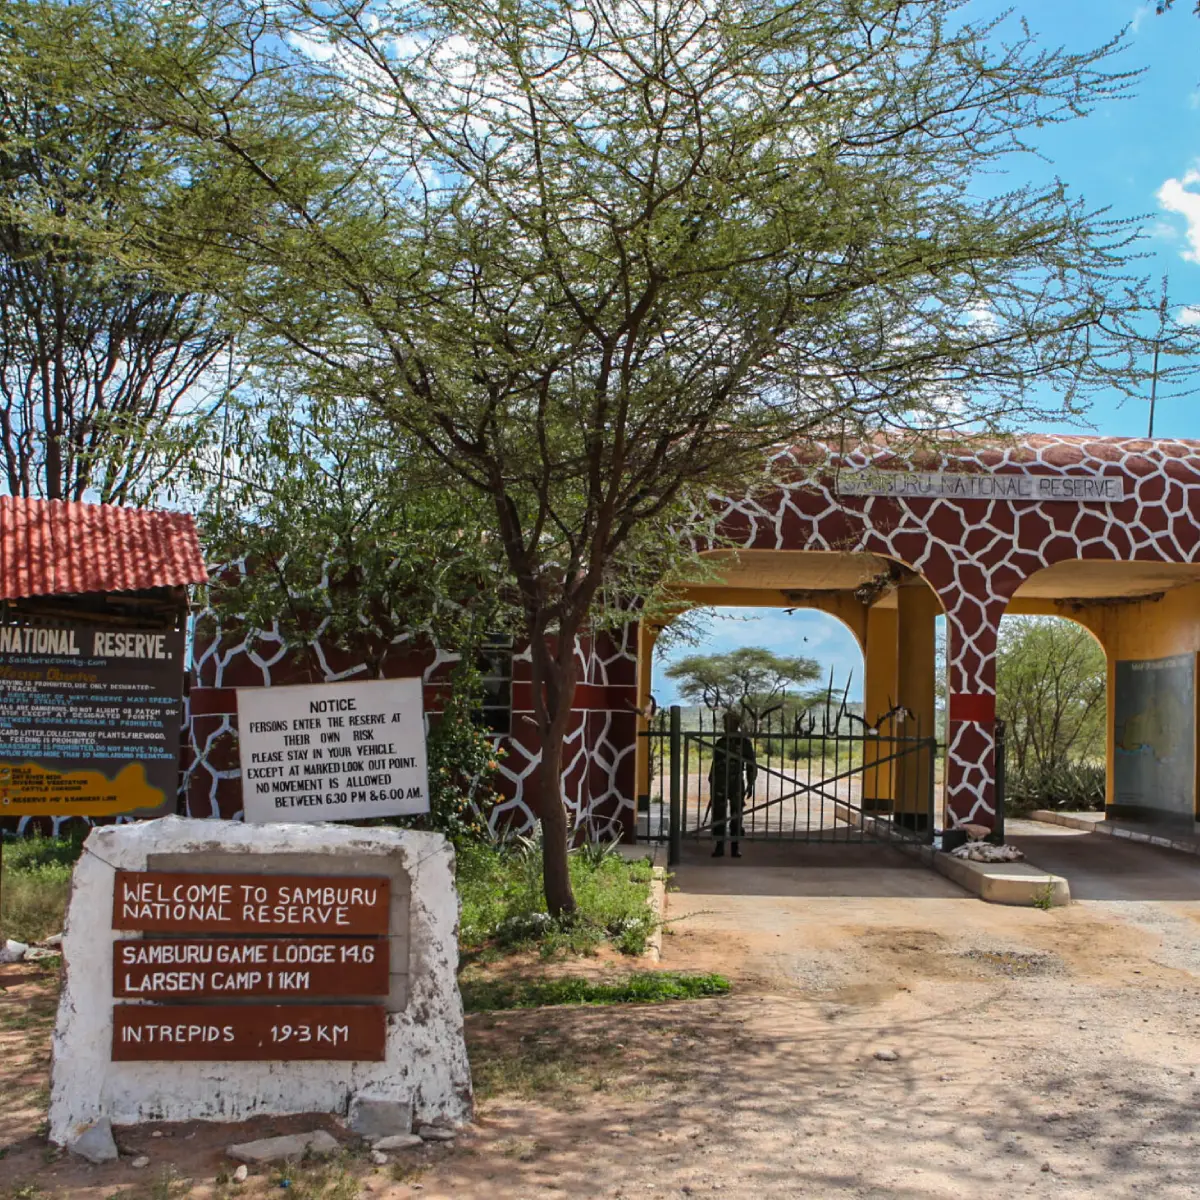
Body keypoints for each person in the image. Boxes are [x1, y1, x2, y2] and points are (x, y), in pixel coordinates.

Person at [708, 710, 757, 858]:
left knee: (737, 815)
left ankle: (735, 846)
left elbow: (751, 764)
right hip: (720, 782)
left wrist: (750, 782)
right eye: (725, 722)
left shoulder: (744, 742)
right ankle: (719, 846)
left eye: (728, 722)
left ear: (736, 724)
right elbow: (715, 763)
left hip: (736, 781)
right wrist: (712, 781)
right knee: (719, 814)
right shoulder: (721, 742)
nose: (725, 725)